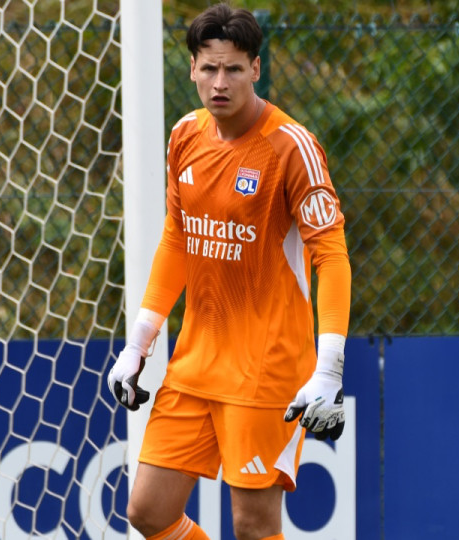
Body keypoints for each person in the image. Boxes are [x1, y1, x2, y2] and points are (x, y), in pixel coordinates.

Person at [107, 3, 351, 539]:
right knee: (148, 512)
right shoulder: (185, 136)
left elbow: (331, 255)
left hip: (267, 369)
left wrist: (329, 367)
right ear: (192, 68)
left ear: (256, 70)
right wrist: (139, 344)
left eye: (234, 69)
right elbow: (178, 238)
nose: (221, 82)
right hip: (196, 364)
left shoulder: (293, 149)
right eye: (210, 68)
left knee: (253, 527)